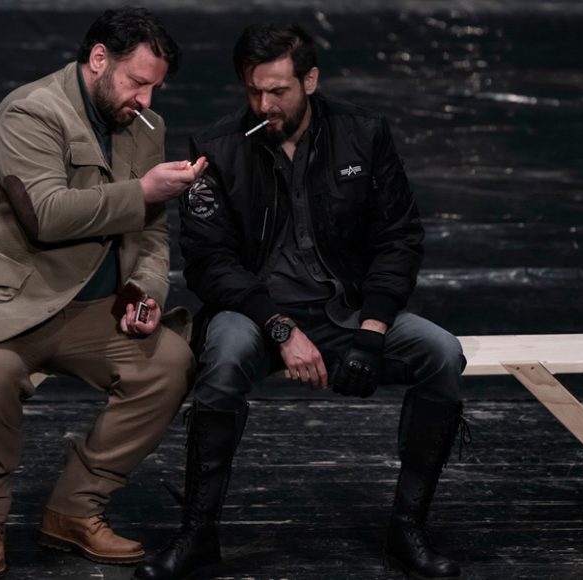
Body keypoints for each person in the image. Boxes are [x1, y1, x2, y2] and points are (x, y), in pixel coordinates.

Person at [135, 23, 468, 580]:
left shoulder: (363, 135)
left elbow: (399, 239)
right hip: (256, 314)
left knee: (442, 353)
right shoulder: (217, 148)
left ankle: (407, 527)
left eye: (278, 91)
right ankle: (197, 533)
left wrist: (373, 330)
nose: (265, 105)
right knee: (223, 358)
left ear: (309, 80)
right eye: (254, 91)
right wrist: (281, 329)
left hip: (348, 310)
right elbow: (210, 263)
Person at [0, 8, 207, 579]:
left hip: (89, 307)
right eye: (137, 82)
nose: (146, 100)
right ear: (99, 59)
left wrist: (144, 290)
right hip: (3, 302)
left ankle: (75, 508)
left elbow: (152, 233)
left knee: (169, 363)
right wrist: (143, 190)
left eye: (155, 88)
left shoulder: (144, 127)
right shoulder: (30, 112)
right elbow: (46, 215)